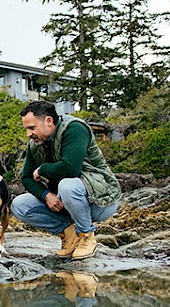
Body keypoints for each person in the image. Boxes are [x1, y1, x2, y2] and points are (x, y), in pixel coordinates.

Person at [10, 100, 122, 260]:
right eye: (27, 129)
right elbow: (27, 178)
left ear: (48, 121)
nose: (28, 134)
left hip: (100, 202)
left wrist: (42, 169)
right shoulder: (34, 144)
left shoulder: (74, 129)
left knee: (67, 185)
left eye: (32, 128)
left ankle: (86, 236)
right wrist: (46, 195)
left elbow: (70, 168)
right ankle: (70, 235)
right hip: (66, 204)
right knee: (20, 205)